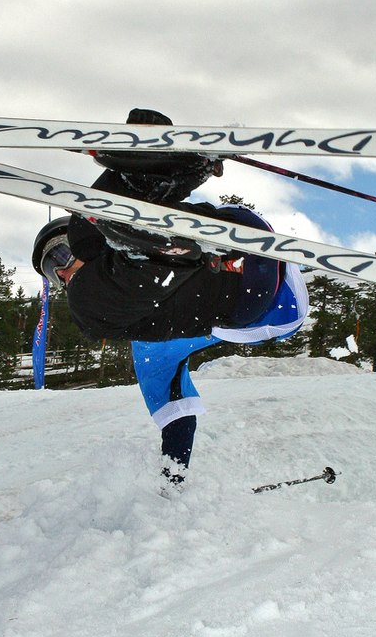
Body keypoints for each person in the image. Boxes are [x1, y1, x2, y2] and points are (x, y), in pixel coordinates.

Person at [33, 109, 309, 488]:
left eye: (60, 256)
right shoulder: (143, 344)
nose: (62, 271)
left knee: (89, 241)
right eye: (52, 271)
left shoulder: (101, 279)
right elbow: (177, 413)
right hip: (260, 302)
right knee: (87, 295)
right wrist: (171, 482)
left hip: (242, 244)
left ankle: (160, 167)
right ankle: (156, 225)